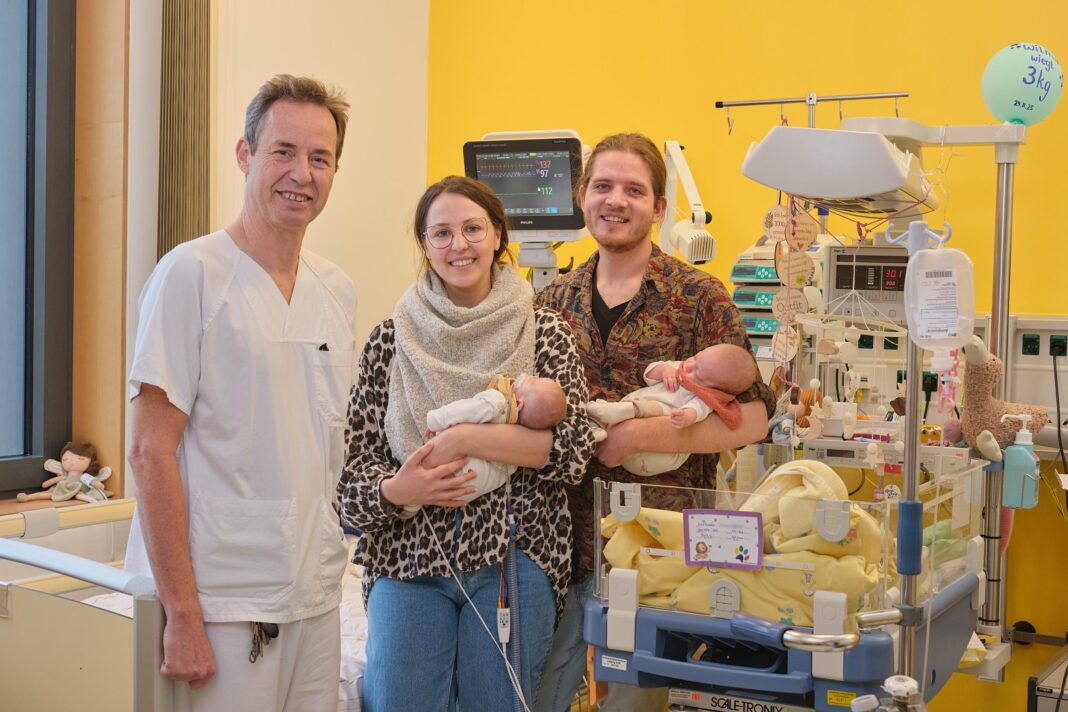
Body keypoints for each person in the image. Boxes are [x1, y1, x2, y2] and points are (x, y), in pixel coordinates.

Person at [125, 75, 355, 712]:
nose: (301, 174)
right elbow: (149, 451)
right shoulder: (191, 275)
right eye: (283, 151)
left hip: (315, 593)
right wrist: (184, 614)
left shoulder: (336, 289)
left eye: (320, 158)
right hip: (223, 603)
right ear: (245, 154)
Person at [533, 133, 776, 712]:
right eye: (602, 187)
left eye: (634, 190)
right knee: (546, 693)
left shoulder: (698, 297)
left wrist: (642, 436)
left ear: (660, 208)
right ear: (581, 195)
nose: (616, 201)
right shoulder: (550, 301)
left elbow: (756, 419)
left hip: (663, 551)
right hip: (564, 545)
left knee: (637, 701)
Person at [337, 175, 595, 712]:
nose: (460, 245)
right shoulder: (391, 340)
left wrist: (468, 437)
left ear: (499, 234)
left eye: (473, 228)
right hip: (406, 556)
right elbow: (351, 484)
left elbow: (572, 454)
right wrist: (397, 488)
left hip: (513, 557)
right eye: (442, 234)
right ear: (425, 247)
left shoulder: (544, 330)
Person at [401, 373, 568, 516]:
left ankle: (412, 501)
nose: (533, 376)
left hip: (456, 467)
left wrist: (434, 420)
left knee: (422, 459)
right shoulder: (517, 444)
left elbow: (463, 410)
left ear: (519, 404)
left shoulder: (497, 402)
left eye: (533, 381)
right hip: (469, 489)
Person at [585, 343, 757, 474]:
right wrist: (663, 370)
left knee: (656, 409)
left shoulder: (704, 396)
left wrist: (686, 417)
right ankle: (595, 429)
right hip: (610, 463)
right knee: (605, 419)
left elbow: (697, 411)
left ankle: (618, 412)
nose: (689, 366)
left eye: (697, 373)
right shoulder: (679, 367)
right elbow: (649, 373)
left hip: (656, 458)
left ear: (715, 388)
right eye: (696, 358)